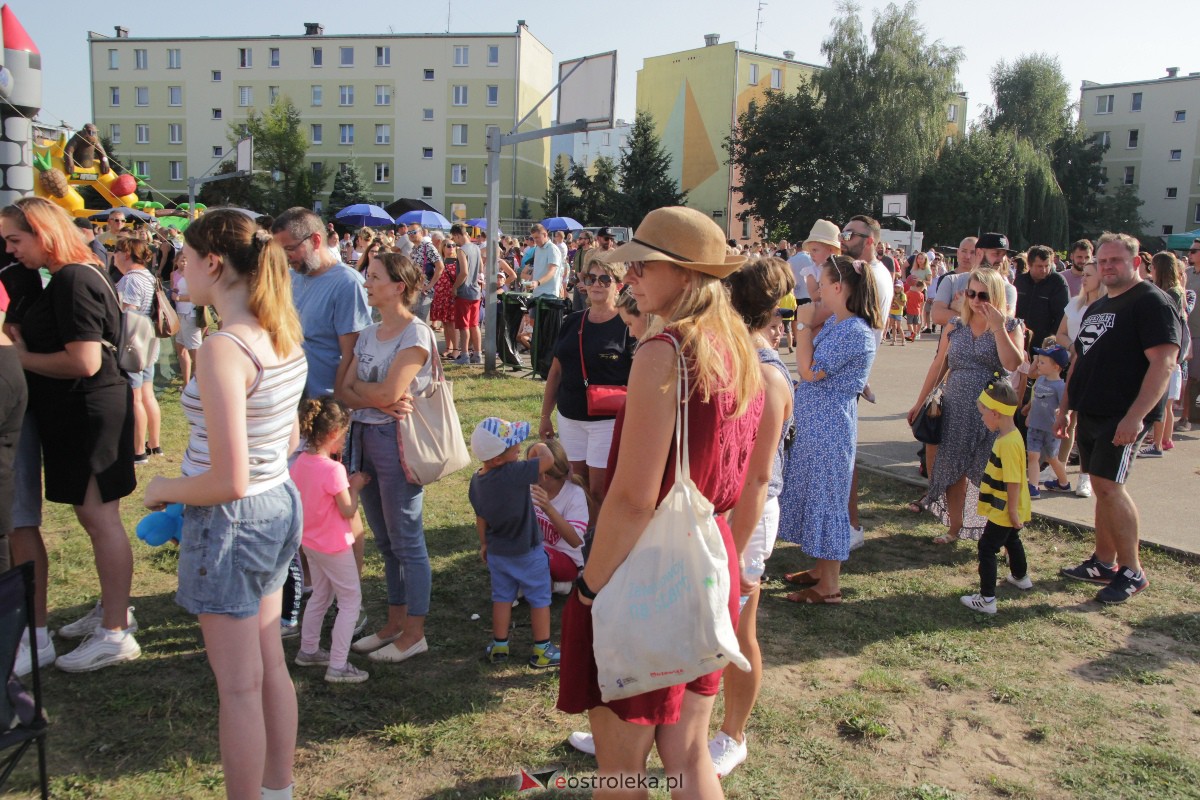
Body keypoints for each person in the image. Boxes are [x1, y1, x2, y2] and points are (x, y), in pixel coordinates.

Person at [557, 206, 763, 799]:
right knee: (688, 755)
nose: (631, 275)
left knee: (620, 770)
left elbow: (631, 500)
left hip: (647, 569)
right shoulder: (738, 348)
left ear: (689, 276)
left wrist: (589, 590)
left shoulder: (664, 352)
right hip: (706, 557)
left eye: (646, 264)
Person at [142, 210, 307, 800]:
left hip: (235, 521)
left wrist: (163, 488)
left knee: (239, 687)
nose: (179, 269)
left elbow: (228, 480)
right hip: (276, 508)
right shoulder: (281, 330)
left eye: (184, 258)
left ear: (213, 262)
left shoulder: (223, 349)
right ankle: (277, 789)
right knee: (266, 667)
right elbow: (285, 441)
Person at [1, 197, 141, 673]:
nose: (11, 250)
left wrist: (19, 358)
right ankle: (111, 613)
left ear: (43, 233)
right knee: (97, 519)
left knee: (100, 520)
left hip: (89, 412)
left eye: (15, 240)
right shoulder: (84, 268)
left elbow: (84, 361)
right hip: (86, 411)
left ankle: (115, 632)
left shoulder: (73, 277)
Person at [1055, 233, 1180, 603]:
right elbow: (1079, 359)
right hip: (1091, 410)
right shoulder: (1099, 305)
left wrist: (1136, 416)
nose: (1107, 267)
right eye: (1102, 261)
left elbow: (1164, 362)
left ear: (1136, 262)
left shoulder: (1150, 302)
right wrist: (1066, 408)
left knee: (1110, 486)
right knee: (1101, 486)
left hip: (1122, 414)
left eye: (1116, 261)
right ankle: (1103, 562)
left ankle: (1132, 571)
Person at [709, 255, 795, 776]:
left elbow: (759, 479)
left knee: (739, 630)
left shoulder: (766, 375)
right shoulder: (738, 359)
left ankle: (733, 734)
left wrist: (735, 548)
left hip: (749, 516)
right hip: (720, 508)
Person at [339, 251, 436, 663]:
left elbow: (382, 393)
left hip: (398, 444)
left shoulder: (416, 334)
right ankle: (394, 623)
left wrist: (368, 393)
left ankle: (415, 633)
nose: (368, 282)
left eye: (375, 276)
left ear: (399, 286)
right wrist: (373, 396)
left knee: (407, 540)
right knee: (385, 540)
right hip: (363, 439)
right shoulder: (367, 333)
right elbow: (342, 391)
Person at [777, 255, 881, 603]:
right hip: (820, 424)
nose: (818, 288)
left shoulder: (853, 329)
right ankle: (822, 569)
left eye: (823, 282)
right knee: (818, 493)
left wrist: (804, 327)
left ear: (839, 288)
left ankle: (830, 586)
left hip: (830, 427)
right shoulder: (841, 321)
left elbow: (810, 371)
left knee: (828, 499)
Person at [907, 268, 1025, 542]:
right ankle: (955, 528)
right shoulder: (956, 325)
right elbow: (939, 365)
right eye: (970, 293)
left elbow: (1012, 363)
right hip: (956, 407)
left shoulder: (1010, 326)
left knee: (994, 474)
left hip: (992, 412)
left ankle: (1004, 536)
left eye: (982, 295)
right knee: (952, 469)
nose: (975, 299)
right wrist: (920, 401)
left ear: (995, 295)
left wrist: (997, 326)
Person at [538, 257, 636, 503]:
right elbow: (556, 372)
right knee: (575, 483)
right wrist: (544, 416)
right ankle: (582, 534)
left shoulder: (627, 324)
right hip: (570, 416)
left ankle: (597, 537)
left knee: (599, 490)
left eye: (605, 279)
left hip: (607, 421)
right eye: (591, 278)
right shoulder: (573, 321)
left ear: (619, 285)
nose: (597, 284)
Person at [290, 397, 371, 684]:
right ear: (335, 434)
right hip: (334, 546)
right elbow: (347, 510)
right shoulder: (334, 470)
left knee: (321, 596)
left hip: (310, 542)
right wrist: (355, 486)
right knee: (350, 600)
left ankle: (308, 649)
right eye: (345, 434)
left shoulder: (300, 462)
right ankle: (338, 665)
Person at [469, 418, 562, 668]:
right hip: (528, 551)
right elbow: (548, 461)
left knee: (502, 597)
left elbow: (481, 518)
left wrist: (484, 544)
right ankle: (542, 649)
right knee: (540, 598)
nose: (519, 448)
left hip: (498, 551)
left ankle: (499, 646)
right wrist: (543, 446)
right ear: (498, 459)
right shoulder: (513, 473)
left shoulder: (476, 481)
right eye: (514, 446)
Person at [271, 208, 372, 400]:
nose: (285, 257)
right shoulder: (291, 278)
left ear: (315, 240)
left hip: (325, 403)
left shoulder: (347, 284)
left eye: (289, 249)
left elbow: (352, 354)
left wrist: (339, 404)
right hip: (290, 399)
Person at [961, 378, 1032, 615]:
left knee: (987, 547)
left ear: (995, 413)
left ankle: (987, 599)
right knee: (1012, 540)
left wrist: (1011, 511)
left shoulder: (1008, 443)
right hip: (1010, 506)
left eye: (983, 414)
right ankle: (1021, 577)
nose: (982, 419)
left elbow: (1013, 480)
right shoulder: (1011, 436)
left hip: (1005, 508)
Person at [112, 235, 163, 464]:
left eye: (116, 251)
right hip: (148, 338)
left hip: (134, 342)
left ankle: (137, 450)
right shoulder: (148, 276)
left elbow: (128, 312)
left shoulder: (131, 279)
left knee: (136, 399)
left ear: (125, 253)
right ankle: (154, 444)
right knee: (147, 395)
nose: (113, 256)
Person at [1141, 251, 1191, 455]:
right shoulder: (1174, 290)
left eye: (1153, 266)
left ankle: (1159, 443)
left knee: (1164, 400)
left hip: (1168, 351)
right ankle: (1162, 440)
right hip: (1170, 350)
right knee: (1165, 400)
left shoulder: (1172, 292)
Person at [1023, 345, 1071, 496]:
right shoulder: (1041, 379)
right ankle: (1033, 486)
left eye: (1043, 362)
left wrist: (1064, 415)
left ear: (1056, 367)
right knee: (1033, 455)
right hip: (1035, 426)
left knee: (1052, 458)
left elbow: (1066, 405)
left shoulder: (1060, 386)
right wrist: (1029, 410)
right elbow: (1036, 397)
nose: (1038, 364)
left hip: (1051, 428)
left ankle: (1064, 483)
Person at [1014, 245, 1070, 354]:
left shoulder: (1057, 282)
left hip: (1044, 343)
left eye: (1047, 266)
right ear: (1029, 264)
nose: (1044, 270)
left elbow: (1062, 315)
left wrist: (1052, 340)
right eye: (1039, 266)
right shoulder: (1020, 281)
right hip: (1019, 339)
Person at [450, 222, 484, 365]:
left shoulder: (461, 250)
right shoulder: (476, 248)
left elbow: (464, 272)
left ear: (458, 235)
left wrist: (454, 287)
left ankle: (464, 355)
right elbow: (481, 268)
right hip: (476, 291)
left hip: (464, 292)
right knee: (474, 324)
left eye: (454, 238)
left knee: (463, 326)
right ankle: (477, 354)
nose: (454, 241)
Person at [170, 249, 203, 388]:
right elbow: (174, 289)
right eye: (181, 260)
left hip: (191, 314)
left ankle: (201, 383)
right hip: (178, 315)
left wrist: (179, 298)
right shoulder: (173, 274)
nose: (184, 263)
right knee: (181, 348)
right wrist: (174, 293)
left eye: (186, 260)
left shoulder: (194, 274)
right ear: (176, 261)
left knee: (195, 350)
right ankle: (186, 383)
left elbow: (198, 295)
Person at [403, 223, 444, 322]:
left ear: (421, 232)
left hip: (425, 291)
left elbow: (440, 266)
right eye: (409, 232)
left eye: (413, 232)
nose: (411, 234)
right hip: (414, 289)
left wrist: (430, 286)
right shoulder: (414, 248)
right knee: (412, 321)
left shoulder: (428, 247)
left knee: (420, 322)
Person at [430, 236, 461, 359]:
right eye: (449, 245)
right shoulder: (440, 262)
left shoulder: (458, 261)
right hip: (441, 295)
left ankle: (456, 349)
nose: (452, 248)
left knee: (452, 324)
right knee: (445, 323)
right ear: (443, 248)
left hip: (452, 295)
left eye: (454, 245)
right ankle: (449, 347)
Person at [1182, 238, 1200, 431]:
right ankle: (1187, 416)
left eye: (1194, 250)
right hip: (1189, 332)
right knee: (1191, 380)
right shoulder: (1187, 274)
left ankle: (1192, 417)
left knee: (1195, 379)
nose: (1190, 253)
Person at [523, 223, 564, 299]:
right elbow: (537, 269)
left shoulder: (552, 249)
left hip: (549, 293)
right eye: (533, 238)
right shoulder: (537, 248)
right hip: (537, 292)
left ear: (545, 235)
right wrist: (530, 281)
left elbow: (552, 272)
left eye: (537, 237)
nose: (535, 240)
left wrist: (537, 283)